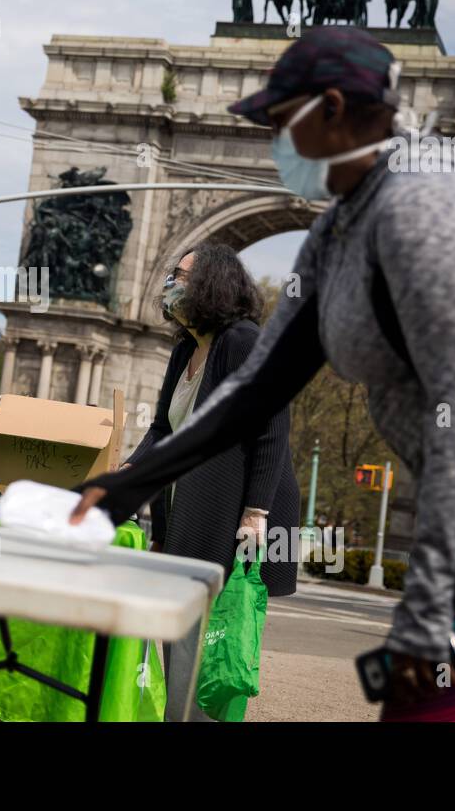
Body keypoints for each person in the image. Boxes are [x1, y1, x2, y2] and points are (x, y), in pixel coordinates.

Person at [72, 26, 455, 722]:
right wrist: (125, 488)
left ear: (334, 109)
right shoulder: (335, 232)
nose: (274, 140)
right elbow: (254, 391)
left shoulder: (426, 205)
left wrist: (425, 610)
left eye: (282, 122)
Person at [133, 240, 298, 721]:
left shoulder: (243, 341)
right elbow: (164, 428)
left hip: (239, 505)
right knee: (184, 628)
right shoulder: (184, 349)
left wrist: (256, 513)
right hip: (197, 501)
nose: (170, 285)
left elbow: (271, 429)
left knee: (213, 635)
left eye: (180, 277)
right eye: (172, 275)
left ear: (212, 284)